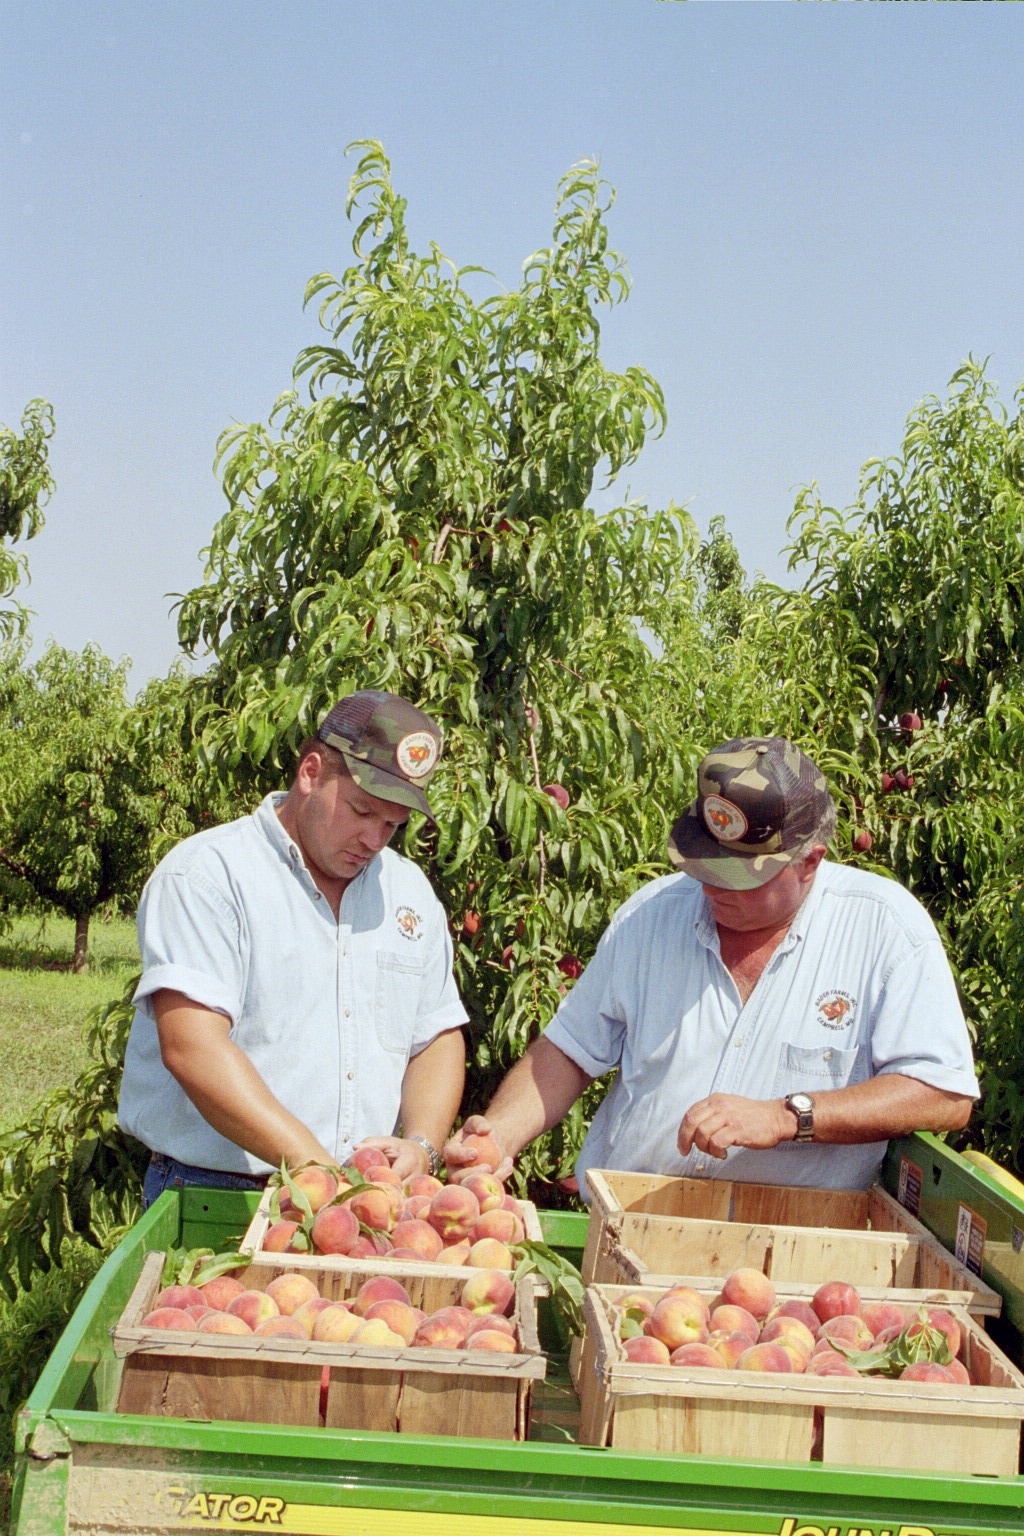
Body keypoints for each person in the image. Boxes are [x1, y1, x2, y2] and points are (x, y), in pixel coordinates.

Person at [445, 736, 978, 1194]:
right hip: (628, 1225)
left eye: (743, 875)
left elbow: (942, 1093)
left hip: (793, 1255)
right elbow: (567, 1052)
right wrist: (498, 1135)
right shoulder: (652, 916)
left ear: (810, 861)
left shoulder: (882, 930)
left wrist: (788, 1115)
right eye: (707, 863)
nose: (715, 885)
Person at [119, 690, 468, 1208]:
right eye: (361, 810)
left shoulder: (408, 891)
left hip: (355, 1203)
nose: (374, 839)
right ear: (310, 772)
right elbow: (193, 1047)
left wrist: (421, 1145)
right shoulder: (209, 876)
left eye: (392, 826)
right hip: (217, 1193)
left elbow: (436, 1034)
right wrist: (318, 1170)